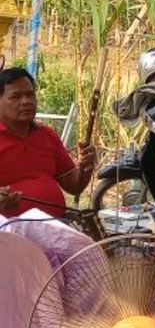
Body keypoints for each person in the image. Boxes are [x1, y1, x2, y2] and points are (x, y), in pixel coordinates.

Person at [0, 67, 96, 218]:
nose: (26, 101)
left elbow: (73, 186)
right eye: (15, 96)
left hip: (56, 226)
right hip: (9, 233)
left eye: (30, 95)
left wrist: (86, 165)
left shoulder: (46, 134)